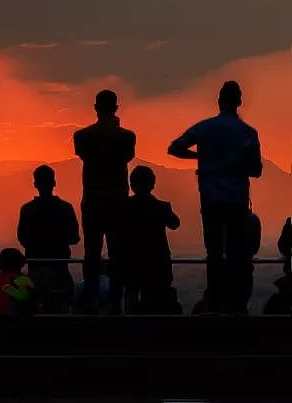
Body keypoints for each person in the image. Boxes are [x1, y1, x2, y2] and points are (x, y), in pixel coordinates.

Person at [168, 80, 262, 314]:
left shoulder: (204, 128)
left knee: (214, 252)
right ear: (239, 102)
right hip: (237, 200)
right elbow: (256, 170)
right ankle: (235, 303)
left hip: (210, 198)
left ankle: (215, 299)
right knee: (237, 253)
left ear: (219, 101)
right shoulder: (248, 133)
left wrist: (202, 158)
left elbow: (175, 148)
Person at [74, 89, 136, 313]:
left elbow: (86, 153)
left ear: (96, 108)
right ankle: (114, 302)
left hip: (92, 199)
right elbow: (125, 156)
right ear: (116, 108)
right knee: (117, 253)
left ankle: (90, 299)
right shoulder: (127, 137)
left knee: (92, 252)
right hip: (117, 200)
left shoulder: (82, 137)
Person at [17, 165, 80, 313]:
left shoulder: (27, 209)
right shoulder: (66, 208)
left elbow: (22, 237)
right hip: (59, 266)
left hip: (36, 266)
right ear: (54, 183)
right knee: (59, 310)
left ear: (35, 185)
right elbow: (74, 238)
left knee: (36, 310)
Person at [118, 166, 180, 313]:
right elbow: (175, 224)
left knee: (131, 301)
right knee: (155, 304)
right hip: (158, 262)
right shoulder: (162, 207)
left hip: (132, 261)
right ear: (153, 184)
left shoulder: (124, 206)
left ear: (132, 185)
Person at [0, 248, 36, 317]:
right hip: (18, 321)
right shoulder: (25, 280)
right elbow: (33, 304)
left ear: (1, 264)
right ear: (20, 264)